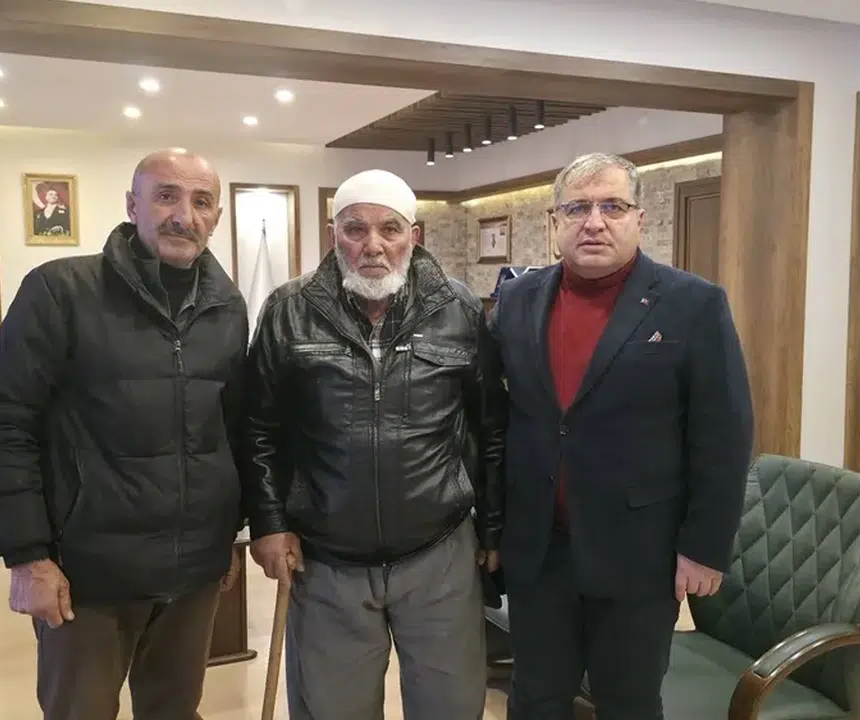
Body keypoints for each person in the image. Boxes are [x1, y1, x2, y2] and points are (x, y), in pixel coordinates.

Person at [0, 148, 249, 720]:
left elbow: (234, 429)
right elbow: (3, 424)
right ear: (132, 205)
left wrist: (228, 534)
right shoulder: (60, 291)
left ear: (217, 217)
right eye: (166, 196)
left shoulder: (227, 307)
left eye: (201, 202)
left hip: (193, 572)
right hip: (87, 575)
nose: (184, 216)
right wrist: (26, 557)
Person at [491, 152, 754, 719]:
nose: (594, 222)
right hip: (539, 548)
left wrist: (704, 548)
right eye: (577, 208)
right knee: (534, 697)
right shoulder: (516, 300)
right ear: (554, 222)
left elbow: (723, 435)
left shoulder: (693, 304)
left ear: (640, 218)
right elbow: (499, 417)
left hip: (639, 552)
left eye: (612, 206)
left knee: (628, 702)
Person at [241, 169, 507, 720]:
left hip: (439, 551)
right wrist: (268, 523)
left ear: (414, 235)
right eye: (355, 229)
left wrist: (494, 527)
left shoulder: (457, 308)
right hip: (324, 557)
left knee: (451, 708)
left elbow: (490, 426)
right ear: (332, 234)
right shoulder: (289, 309)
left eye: (390, 229)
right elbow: (258, 426)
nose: (373, 245)